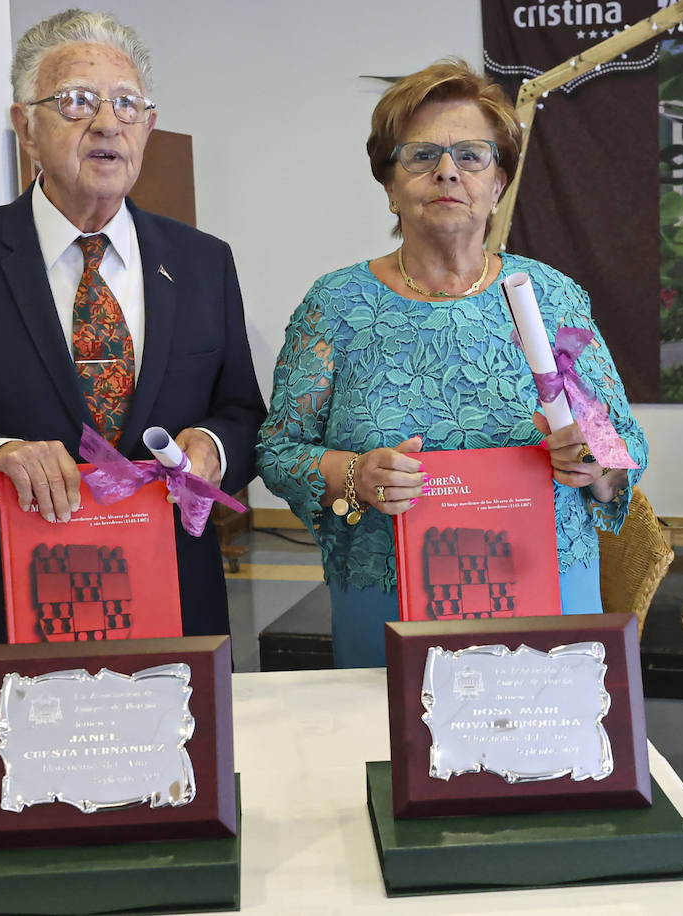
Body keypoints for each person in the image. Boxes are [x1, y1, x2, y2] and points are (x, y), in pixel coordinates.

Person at [0, 9, 265, 714]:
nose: (106, 122)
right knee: (25, 819)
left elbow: (243, 414)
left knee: (177, 818)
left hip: (173, 619)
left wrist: (216, 447)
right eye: (76, 100)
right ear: (25, 126)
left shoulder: (202, 263)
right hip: (13, 626)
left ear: (148, 126)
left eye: (126, 104)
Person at [257, 59, 647, 668]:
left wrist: (590, 456)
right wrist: (354, 472)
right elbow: (281, 450)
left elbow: (621, 445)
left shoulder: (551, 297)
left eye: (471, 155)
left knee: (540, 758)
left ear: (498, 182)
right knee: (390, 757)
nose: (447, 171)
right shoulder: (336, 305)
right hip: (387, 597)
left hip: (544, 589)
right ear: (389, 183)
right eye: (420, 156)